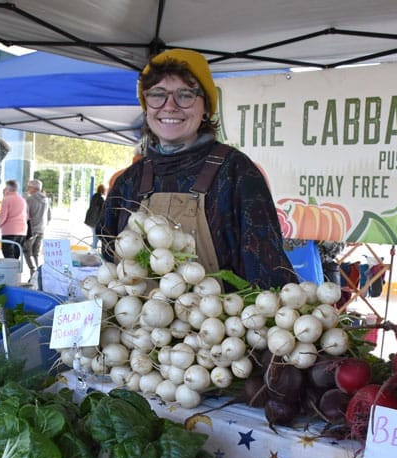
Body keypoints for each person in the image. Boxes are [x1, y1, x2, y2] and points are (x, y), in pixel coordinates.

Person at [100, 49, 297, 290]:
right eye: (157, 95)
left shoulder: (237, 173)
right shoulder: (128, 181)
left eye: (185, 95)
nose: (169, 106)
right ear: (146, 106)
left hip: (221, 325)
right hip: (135, 326)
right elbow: (110, 265)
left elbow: (269, 275)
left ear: (205, 107)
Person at [23, 178, 51, 280]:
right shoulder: (46, 200)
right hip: (41, 229)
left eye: (29, 187)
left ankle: (33, 272)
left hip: (31, 230)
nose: (28, 189)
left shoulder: (29, 200)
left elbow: (25, 215)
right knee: (36, 253)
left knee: (27, 251)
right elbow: (49, 216)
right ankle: (37, 275)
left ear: (34, 188)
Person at [0, 179, 27, 261]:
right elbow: (26, 216)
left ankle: (10, 273)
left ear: (8, 188)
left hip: (9, 230)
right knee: (16, 255)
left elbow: (3, 216)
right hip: (22, 231)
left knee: (8, 253)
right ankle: (16, 273)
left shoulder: (7, 199)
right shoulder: (22, 200)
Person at [84, 183, 106, 250]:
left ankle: (93, 246)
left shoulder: (94, 196)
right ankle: (93, 248)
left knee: (95, 234)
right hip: (95, 220)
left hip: (90, 218)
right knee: (96, 235)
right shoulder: (101, 199)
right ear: (102, 190)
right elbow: (102, 210)